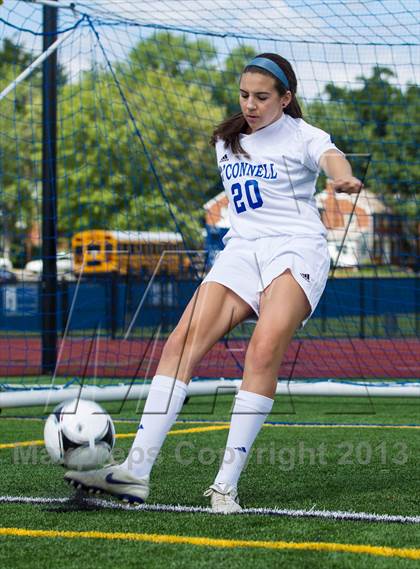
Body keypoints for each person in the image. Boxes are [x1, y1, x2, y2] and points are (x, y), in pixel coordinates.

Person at [64, 53, 362, 513]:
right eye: (245, 95)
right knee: (179, 344)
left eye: (262, 97)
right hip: (241, 248)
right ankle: (134, 473)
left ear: (286, 98)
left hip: (295, 247)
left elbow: (330, 157)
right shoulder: (227, 142)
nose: (251, 104)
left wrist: (342, 178)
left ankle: (225, 487)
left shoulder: (305, 136)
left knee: (262, 349)